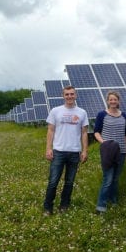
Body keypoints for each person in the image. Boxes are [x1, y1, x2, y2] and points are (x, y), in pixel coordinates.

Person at [43, 85, 89, 215]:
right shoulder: (55, 111)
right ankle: (47, 207)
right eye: (67, 94)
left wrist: (85, 150)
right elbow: (50, 130)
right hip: (58, 151)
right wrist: (48, 148)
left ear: (76, 95)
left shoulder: (82, 112)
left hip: (74, 152)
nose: (69, 96)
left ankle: (64, 205)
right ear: (63, 96)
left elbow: (84, 132)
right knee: (53, 181)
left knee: (69, 182)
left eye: (72, 94)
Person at [94, 90, 126, 214]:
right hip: (108, 151)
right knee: (107, 179)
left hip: (121, 152)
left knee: (115, 179)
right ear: (107, 101)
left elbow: (125, 134)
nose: (113, 101)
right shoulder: (102, 114)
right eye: (111, 99)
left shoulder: (123, 115)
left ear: (118, 101)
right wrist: (104, 143)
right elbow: (96, 132)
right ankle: (101, 206)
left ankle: (113, 202)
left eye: (115, 99)